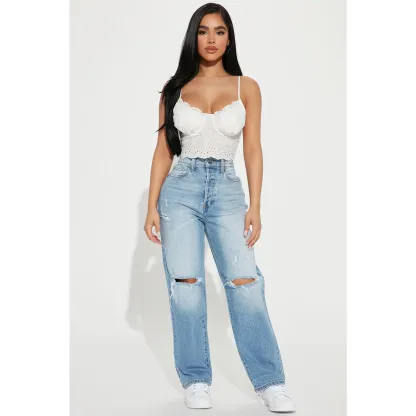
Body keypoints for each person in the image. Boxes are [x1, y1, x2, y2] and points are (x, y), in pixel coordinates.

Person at [144, 3, 296, 413]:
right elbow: (163, 151)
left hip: (227, 190)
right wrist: (152, 206)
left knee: (245, 282)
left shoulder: (247, 86)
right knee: (186, 284)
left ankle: (270, 382)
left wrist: (255, 205)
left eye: (220, 31)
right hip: (180, 190)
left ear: (229, 39)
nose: (211, 39)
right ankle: (196, 379)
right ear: (194, 37)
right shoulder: (175, 88)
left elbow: (253, 148)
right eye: (203, 31)